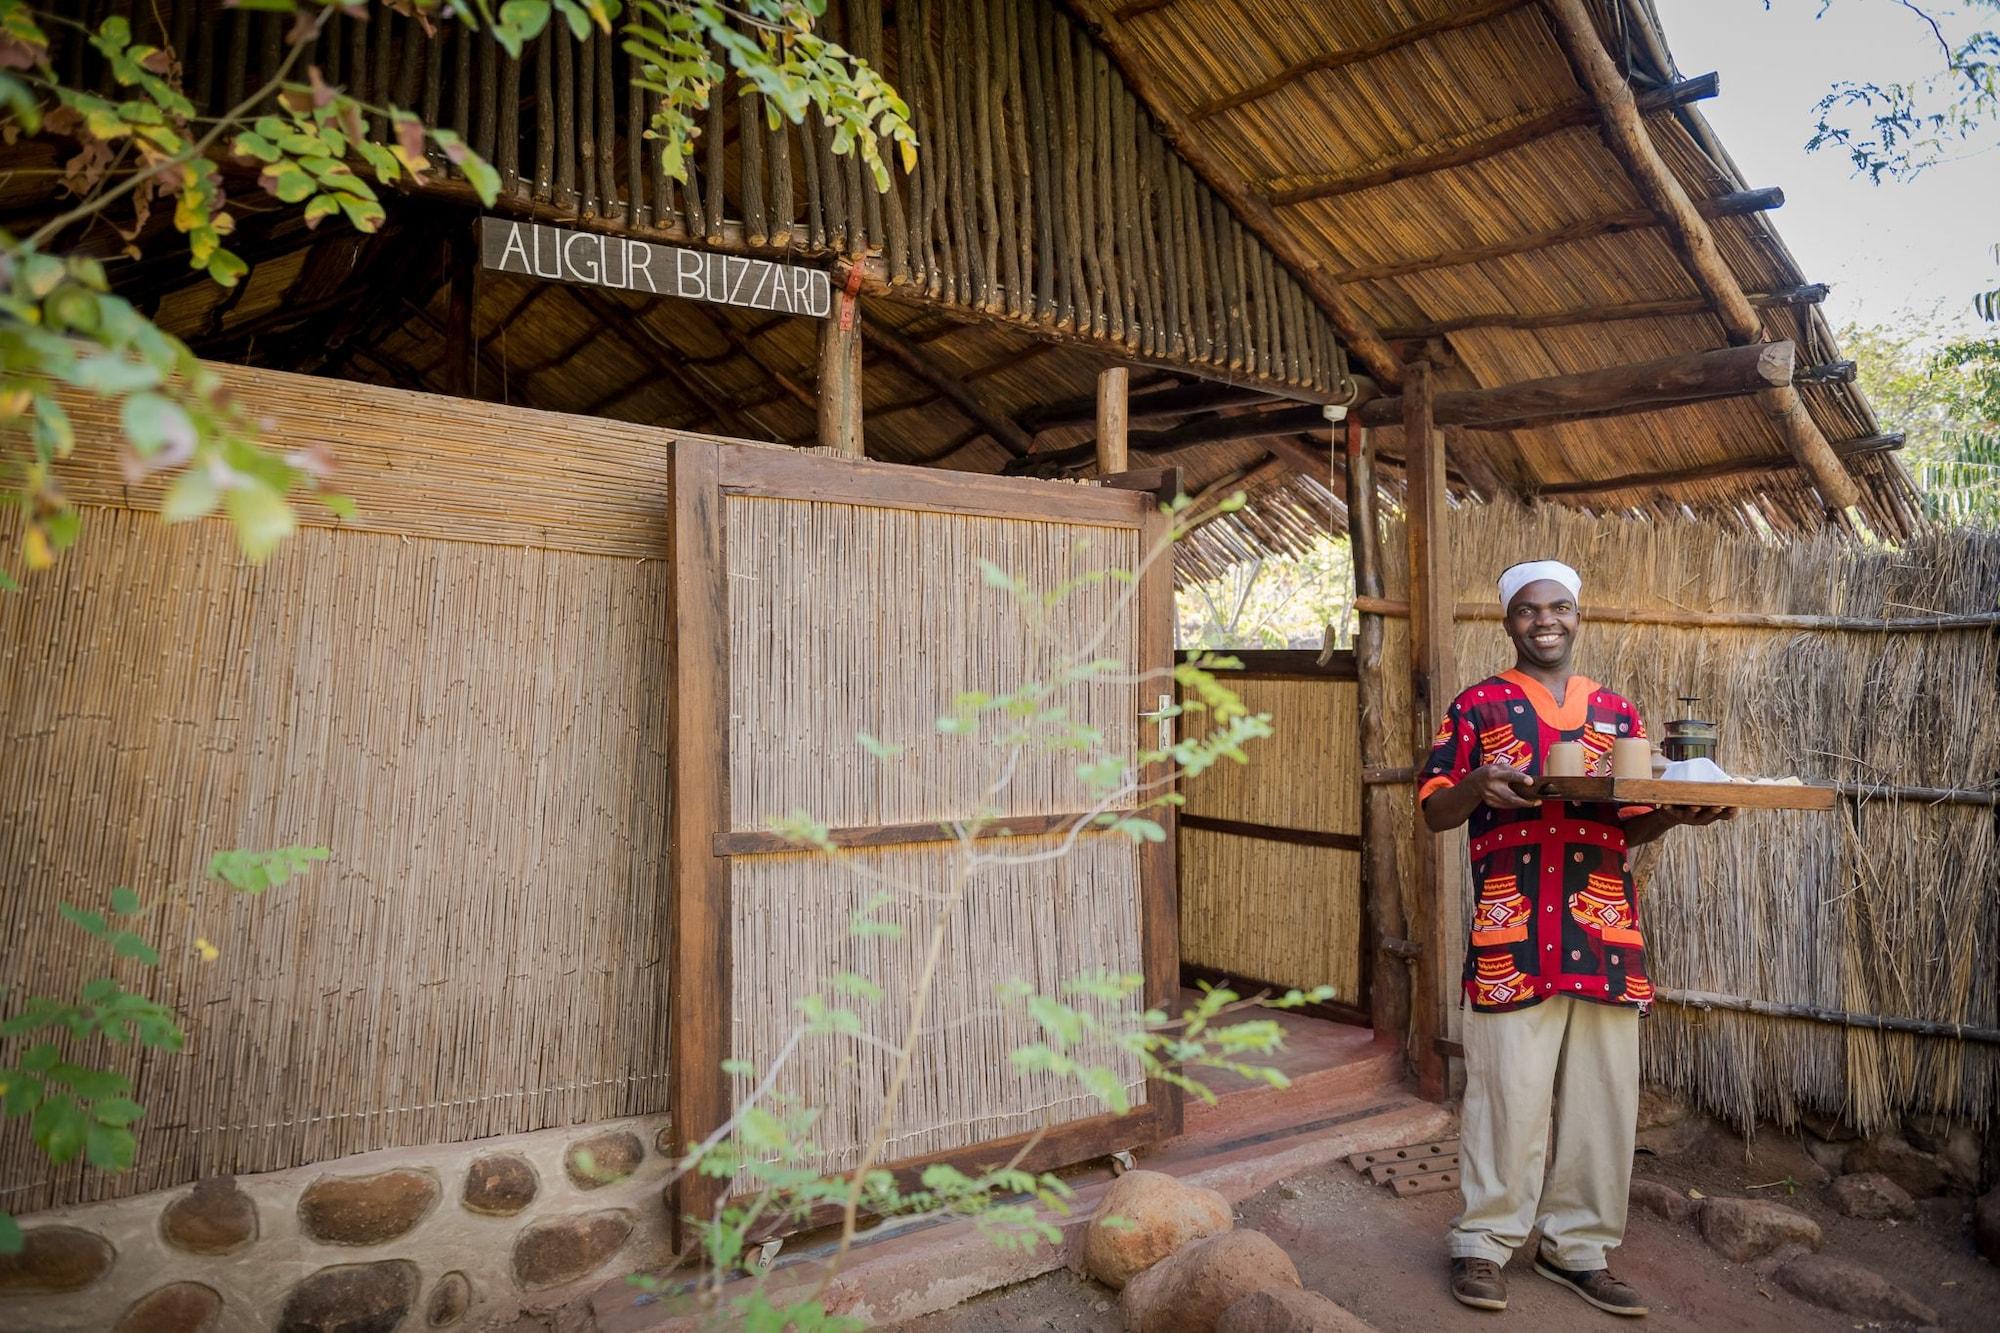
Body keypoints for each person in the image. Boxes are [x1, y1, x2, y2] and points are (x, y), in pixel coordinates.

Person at [1419, 559, 1731, 1318]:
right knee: (1507, 1097)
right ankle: (1483, 1244)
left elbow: (1629, 820)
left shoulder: (1618, 714)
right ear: (1508, 621)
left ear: (1578, 616)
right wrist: (1476, 784)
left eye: (1559, 607)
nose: (1545, 620)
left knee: (1602, 1101)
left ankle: (1577, 1248)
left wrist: (1678, 815)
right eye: (1529, 610)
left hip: (1601, 930)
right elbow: (1433, 807)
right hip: (1512, 929)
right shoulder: (1478, 705)